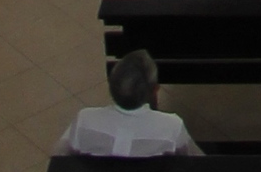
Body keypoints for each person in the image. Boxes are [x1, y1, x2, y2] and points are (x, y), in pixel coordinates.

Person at [55, 50, 199, 158]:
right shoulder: (172, 126)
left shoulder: (84, 120)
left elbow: (58, 155)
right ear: (154, 89)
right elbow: (197, 161)